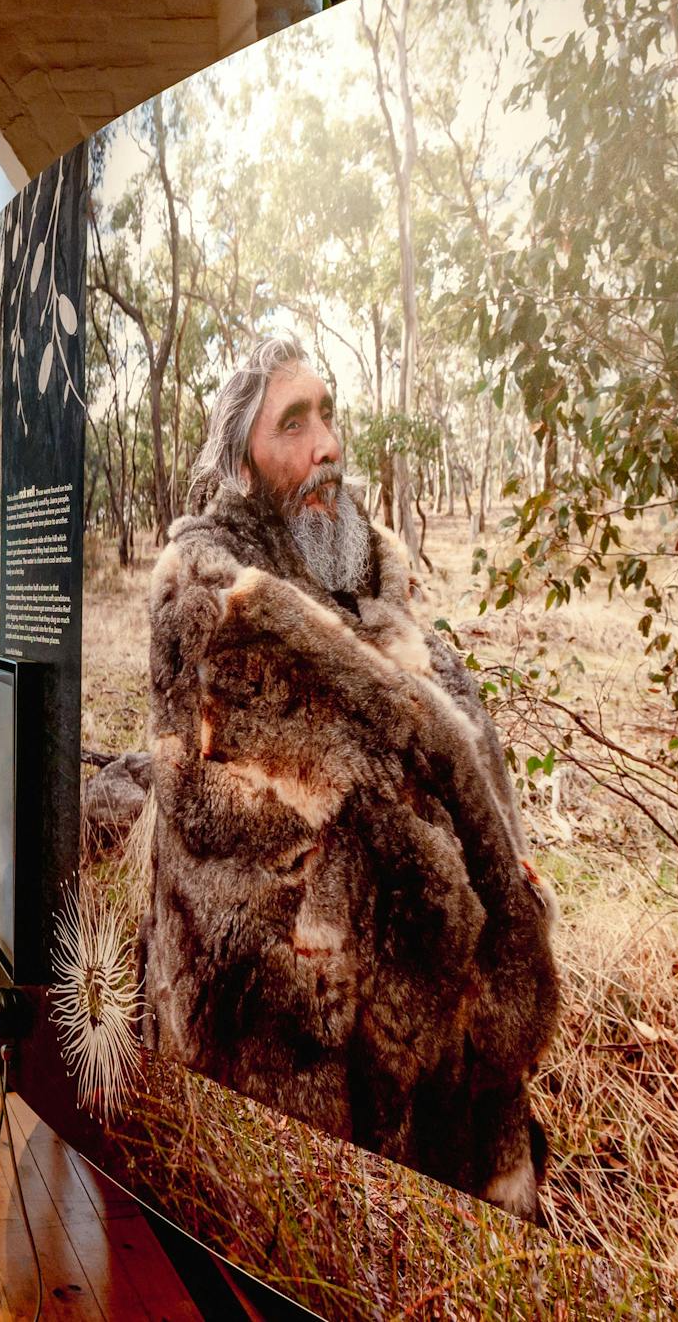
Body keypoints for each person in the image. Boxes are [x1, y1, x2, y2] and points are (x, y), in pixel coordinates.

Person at [137, 335, 561, 1219]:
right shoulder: (208, 598)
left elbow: (451, 750)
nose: (327, 443)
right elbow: (333, 786)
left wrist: (497, 864)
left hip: (399, 991)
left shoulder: (370, 581)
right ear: (243, 467)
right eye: (293, 423)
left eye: (327, 414)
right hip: (285, 1023)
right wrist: (474, 889)